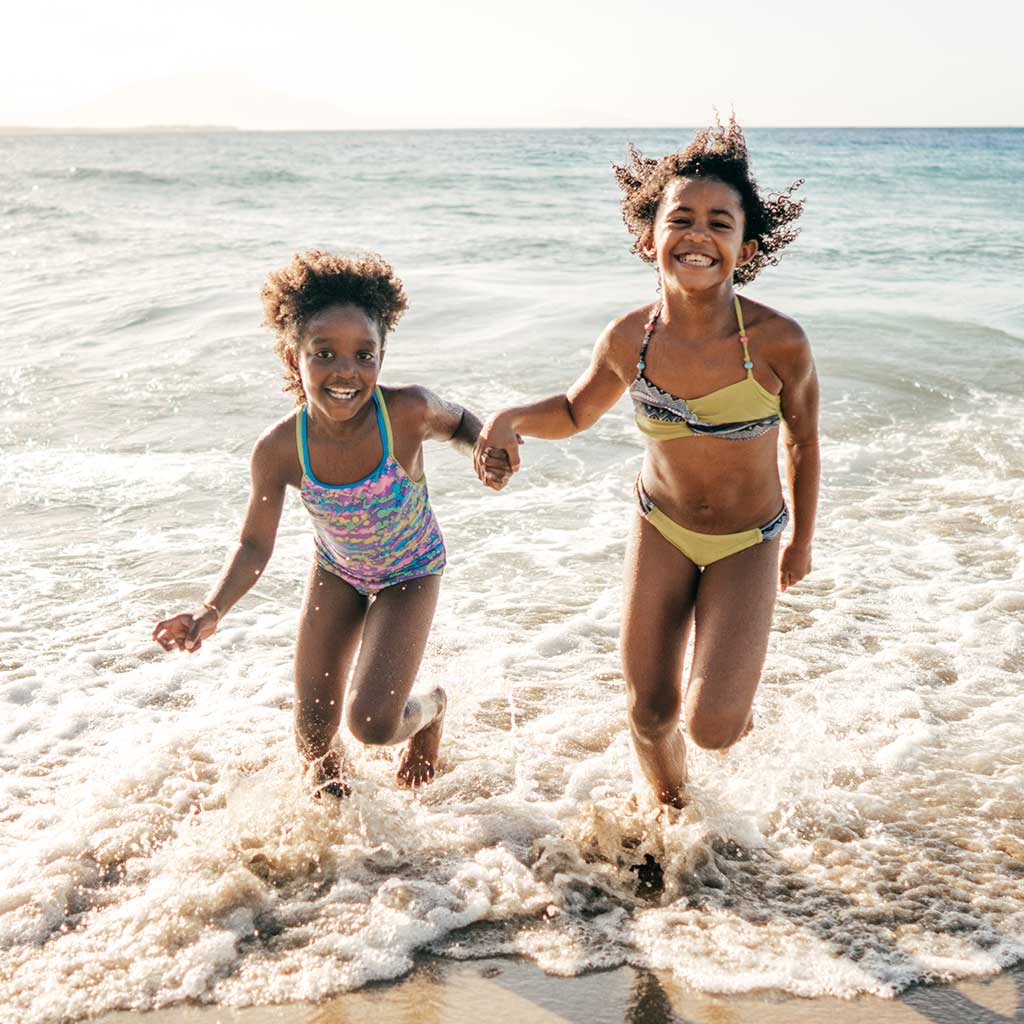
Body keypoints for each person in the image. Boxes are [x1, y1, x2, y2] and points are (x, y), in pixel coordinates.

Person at [474, 118, 819, 808]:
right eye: (681, 218)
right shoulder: (631, 337)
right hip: (659, 526)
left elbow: (804, 442)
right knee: (648, 713)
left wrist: (801, 541)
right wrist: (509, 420)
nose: (699, 235)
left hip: (748, 540)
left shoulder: (778, 342)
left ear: (745, 247)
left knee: (714, 729)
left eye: (720, 223)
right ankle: (670, 808)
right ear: (649, 236)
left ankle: (730, 694)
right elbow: (575, 411)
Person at [153, 250, 511, 795]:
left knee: (370, 724)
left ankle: (433, 709)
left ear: (382, 355)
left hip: (411, 572)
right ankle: (345, 848)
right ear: (293, 356)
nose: (346, 371)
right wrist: (211, 608)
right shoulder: (279, 450)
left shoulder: (406, 412)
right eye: (324, 353)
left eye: (364, 355)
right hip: (339, 573)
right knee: (313, 739)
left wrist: (483, 451)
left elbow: (461, 422)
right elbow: (253, 545)